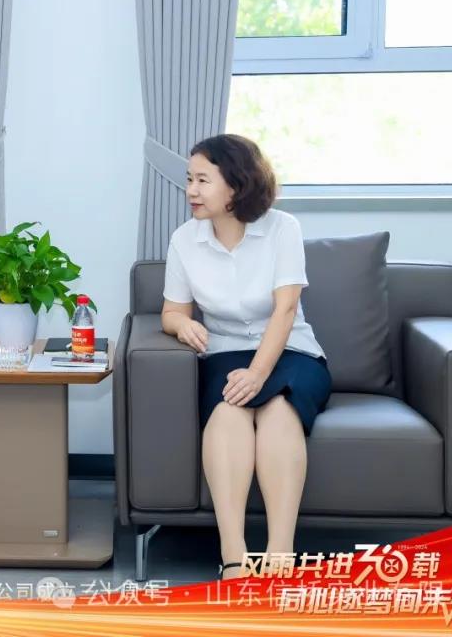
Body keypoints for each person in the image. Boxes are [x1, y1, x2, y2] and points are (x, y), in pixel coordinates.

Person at [160, 134, 331, 580]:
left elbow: (286, 308)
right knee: (228, 413)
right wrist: (182, 325)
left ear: (236, 185)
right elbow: (171, 311)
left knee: (278, 410)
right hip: (225, 351)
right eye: (189, 179)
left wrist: (258, 373)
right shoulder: (184, 240)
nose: (191, 190)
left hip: (292, 350)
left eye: (203, 180)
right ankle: (234, 558)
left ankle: (280, 556)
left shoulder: (282, 228)